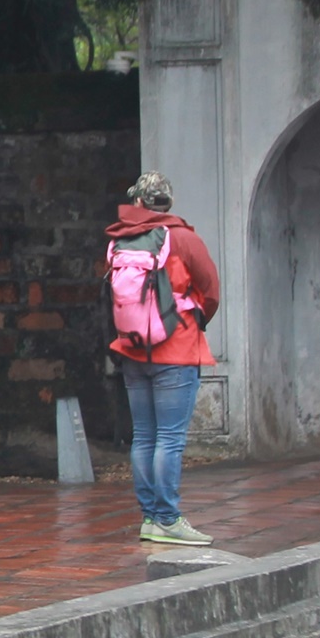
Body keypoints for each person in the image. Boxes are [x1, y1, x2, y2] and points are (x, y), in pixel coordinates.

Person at [105, 172, 221, 547]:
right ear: (167, 202)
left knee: (144, 436)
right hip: (176, 348)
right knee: (169, 439)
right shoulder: (183, 238)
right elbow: (211, 289)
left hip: (132, 348)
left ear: (137, 203)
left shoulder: (119, 240)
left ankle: (150, 517)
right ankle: (168, 518)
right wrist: (194, 318)